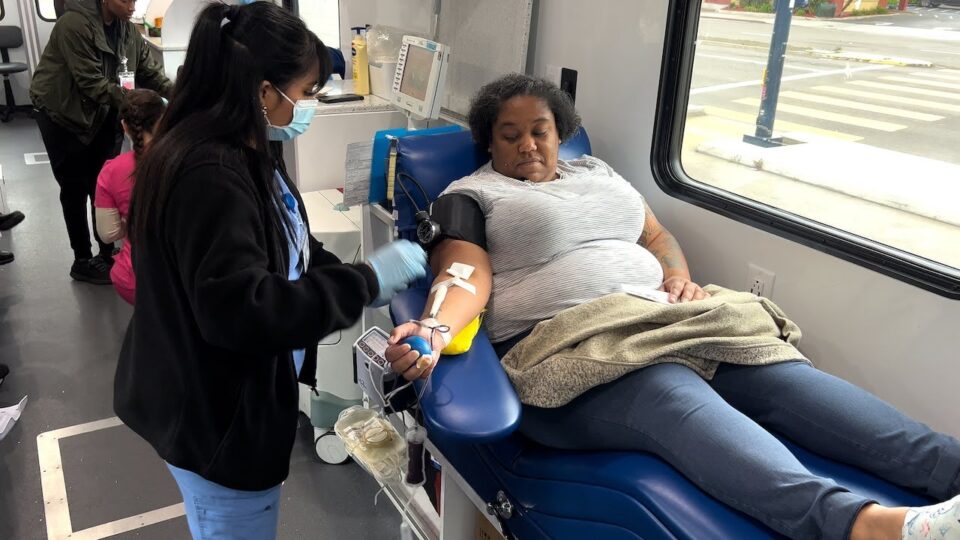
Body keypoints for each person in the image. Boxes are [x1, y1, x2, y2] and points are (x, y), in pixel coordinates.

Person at [385, 74, 960, 540]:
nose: (527, 145)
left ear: (561, 134)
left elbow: (655, 236)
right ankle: (862, 526)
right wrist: (435, 328)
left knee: (781, 375)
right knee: (672, 397)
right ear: (489, 142)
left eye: (540, 131)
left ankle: (946, 466)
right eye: (509, 135)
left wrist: (679, 278)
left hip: (666, 318)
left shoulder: (598, 173)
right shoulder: (472, 193)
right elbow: (463, 271)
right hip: (570, 345)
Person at [113, 4, 426, 539]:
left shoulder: (242, 146)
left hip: (197, 392)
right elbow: (244, 312)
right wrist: (366, 281)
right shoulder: (210, 173)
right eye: (304, 93)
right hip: (214, 418)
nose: (307, 107)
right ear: (263, 93)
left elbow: (287, 246)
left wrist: (352, 273)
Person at [30, 0, 172, 284]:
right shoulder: (72, 25)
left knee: (101, 182)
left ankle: (106, 253)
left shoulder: (126, 29)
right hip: (63, 114)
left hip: (102, 112)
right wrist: (142, 106)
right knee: (73, 187)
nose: (132, 6)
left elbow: (149, 72)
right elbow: (90, 82)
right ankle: (81, 258)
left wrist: (180, 96)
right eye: (126, 0)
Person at [94, 89, 165, 304]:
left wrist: (130, 218)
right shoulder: (184, 161)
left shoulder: (112, 171)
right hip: (185, 276)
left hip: (135, 278)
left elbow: (108, 234)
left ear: (124, 126)